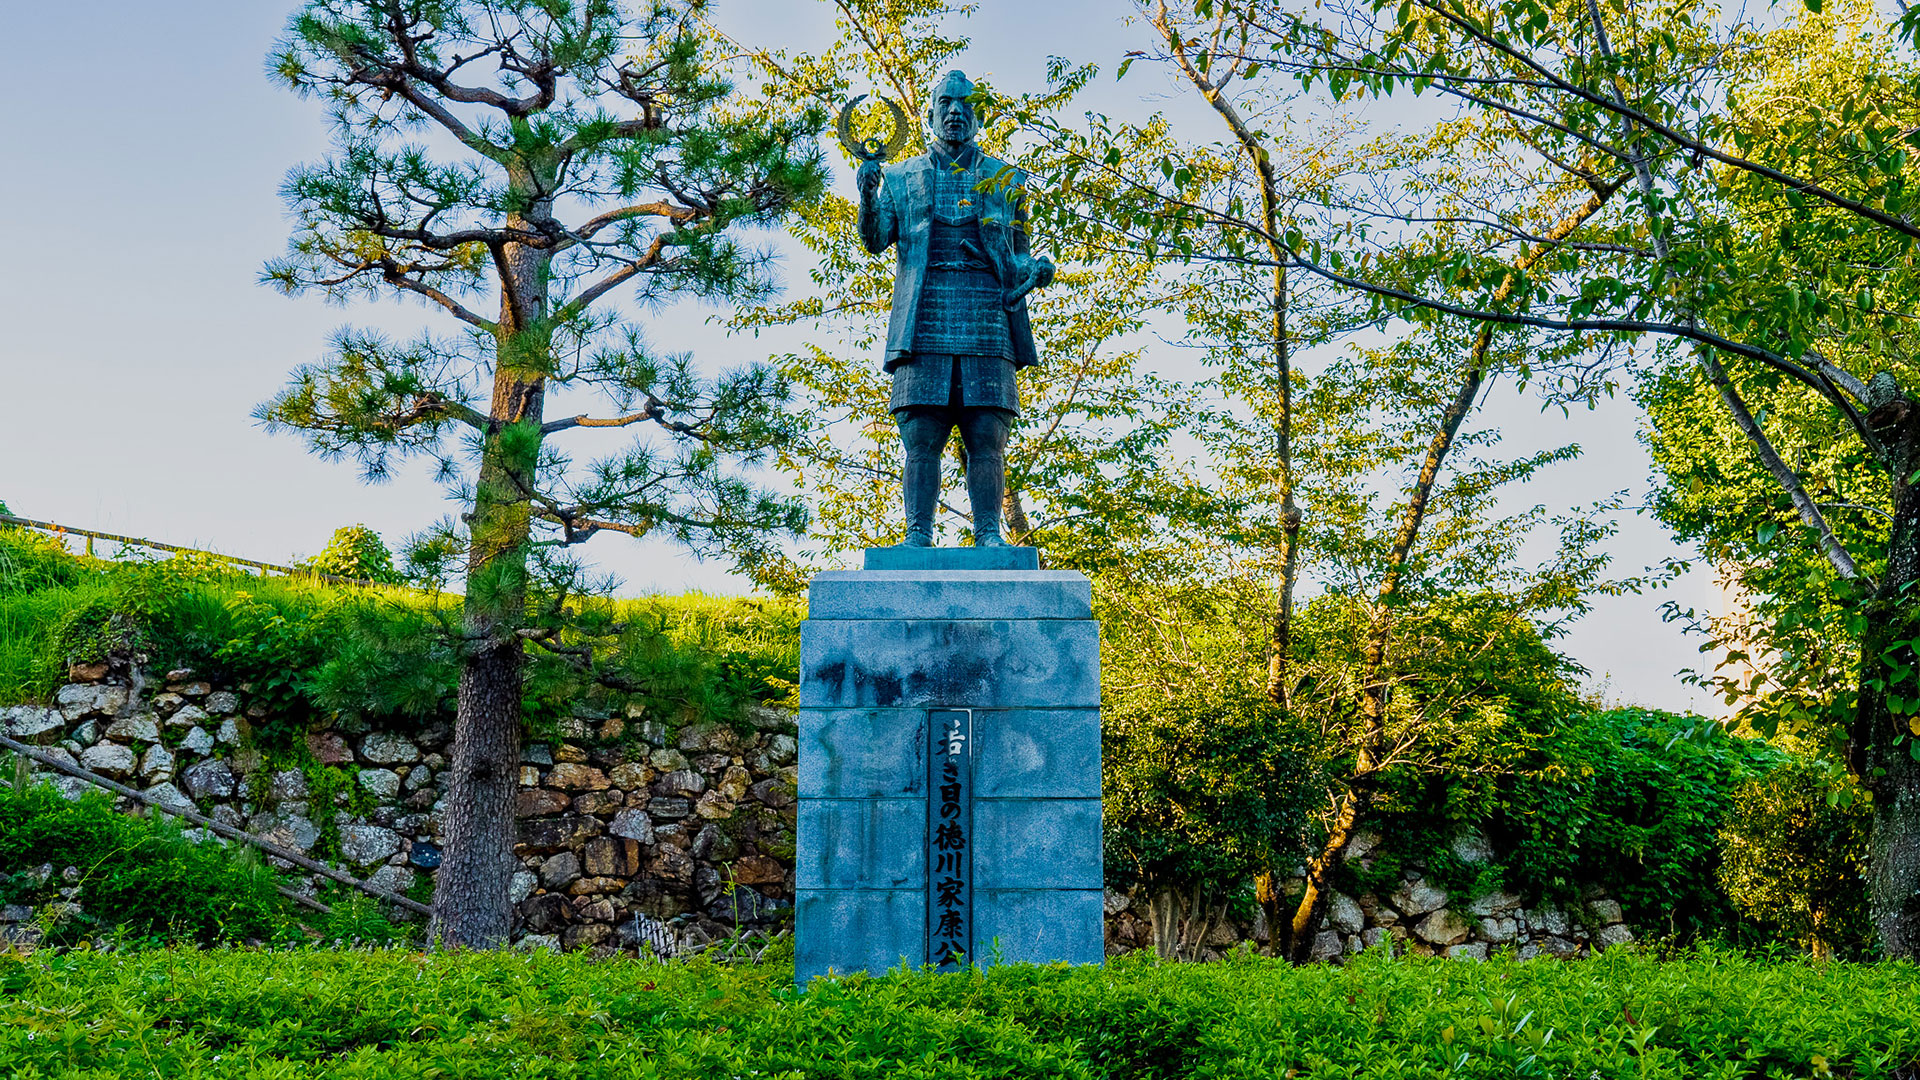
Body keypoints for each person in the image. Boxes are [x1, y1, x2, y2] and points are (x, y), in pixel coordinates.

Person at [856, 69, 1055, 548]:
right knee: (921, 437)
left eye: (964, 104)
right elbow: (876, 240)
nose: (954, 112)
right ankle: (916, 534)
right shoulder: (901, 177)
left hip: (988, 317)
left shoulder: (1007, 180)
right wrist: (866, 193)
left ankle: (989, 532)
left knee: (987, 435)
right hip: (922, 319)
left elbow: (1019, 251)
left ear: (979, 115)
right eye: (945, 102)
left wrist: (1038, 267)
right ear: (929, 113)